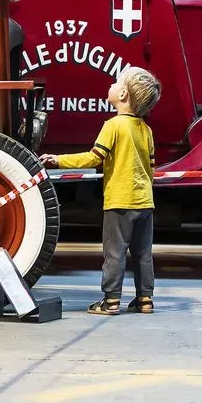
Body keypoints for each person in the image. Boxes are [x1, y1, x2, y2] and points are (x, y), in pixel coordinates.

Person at [41, 66, 162, 315]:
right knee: (143, 254)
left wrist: (59, 160)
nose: (112, 85)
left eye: (117, 82)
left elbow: (94, 158)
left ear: (124, 96)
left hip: (119, 201)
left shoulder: (113, 126)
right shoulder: (146, 130)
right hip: (145, 202)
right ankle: (145, 299)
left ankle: (111, 301)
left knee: (115, 253)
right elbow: (150, 169)